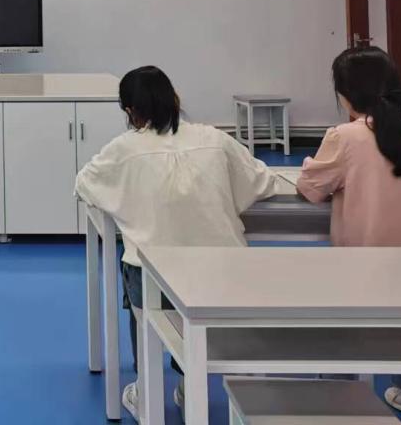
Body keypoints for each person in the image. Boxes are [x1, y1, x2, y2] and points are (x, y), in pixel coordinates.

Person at [75, 65, 279, 421]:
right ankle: (187, 385)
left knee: (136, 268)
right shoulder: (215, 138)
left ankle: (145, 388)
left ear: (130, 111)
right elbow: (262, 182)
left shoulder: (123, 149)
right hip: (222, 277)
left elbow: (85, 184)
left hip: (155, 281)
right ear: (175, 99)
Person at [297, 45, 401, 423]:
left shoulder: (345, 137)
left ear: (345, 95)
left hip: (366, 273)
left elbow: (311, 188)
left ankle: (339, 399)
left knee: (329, 310)